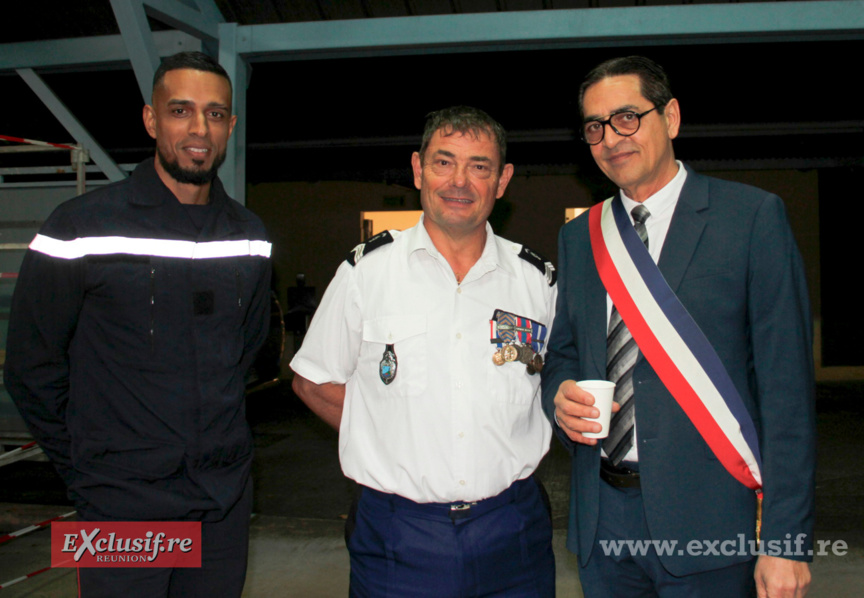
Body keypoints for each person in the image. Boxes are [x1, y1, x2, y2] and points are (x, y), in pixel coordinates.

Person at [541, 56, 815, 598]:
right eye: (594, 127)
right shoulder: (581, 237)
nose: (610, 138)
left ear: (671, 116)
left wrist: (785, 541)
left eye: (626, 117)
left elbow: (787, 395)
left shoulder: (751, 218)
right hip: (604, 522)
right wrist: (560, 394)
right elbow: (565, 353)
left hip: (711, 518)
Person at [4, 51, 271, 597]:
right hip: (123, 508)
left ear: (231, 127)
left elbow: (246, 352)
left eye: (216, 114)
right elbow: (32, 369)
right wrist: (90, 474)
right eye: (181, 110)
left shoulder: (249, 235)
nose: (200, 129)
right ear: (151, 120)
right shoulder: (79, 228)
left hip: (221, 504)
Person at [291, 106, 557, 597]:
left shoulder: (536, 283)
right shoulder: (365, 274)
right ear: (417, 169)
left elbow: (557, 383)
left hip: (513, 529)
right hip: (399, 534)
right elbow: (312, 380)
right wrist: (383, 432)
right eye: (444, 162)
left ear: (502, 181)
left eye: (480, 166)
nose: (460, 181)